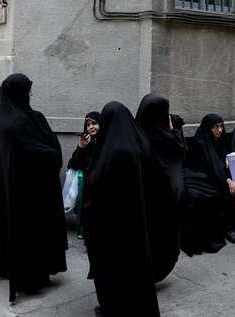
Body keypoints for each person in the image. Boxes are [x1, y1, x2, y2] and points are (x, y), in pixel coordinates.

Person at [0, 73, 67, 302]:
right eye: (28, 90)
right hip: (26, 194)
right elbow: (35, 153)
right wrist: (53, 154)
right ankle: (31, 280)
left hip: (8, 190)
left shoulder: (1, 120)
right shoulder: (19, 122)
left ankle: (8, 268)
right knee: (29, 237)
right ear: (19, 92)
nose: (31, 94)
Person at [82, 101, 160, 317]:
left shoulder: (112, 150)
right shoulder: (139, 144)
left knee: (113, 271)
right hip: (138, 221)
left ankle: (114, 309)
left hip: (112, 226)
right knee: (135, 270)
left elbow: (96, 186)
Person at [135, 93, 185, 283]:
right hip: (161, 201)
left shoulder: (138, 135)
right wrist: (173, 132)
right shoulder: (165, 138)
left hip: (156, 201)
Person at [182, 114, 235, 255]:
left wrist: (228, 159)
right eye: (215, 127)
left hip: (216, 176)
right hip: (203, 177)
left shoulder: (219, 140)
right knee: (223, 192)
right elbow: (210, 167)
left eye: (221, 126)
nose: (219, 130)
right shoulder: (202, 143)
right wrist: (227, 181)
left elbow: (221, 160)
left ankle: (232, 225)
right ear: (208, 128)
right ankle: (227, 228)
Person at [66, 111, 100, 238]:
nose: (91, 127)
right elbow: (72, 165)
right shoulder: (85, 142)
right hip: (88, 184)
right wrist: (81, 147)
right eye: (88, 124)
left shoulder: (105, 142)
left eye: (94, 123)